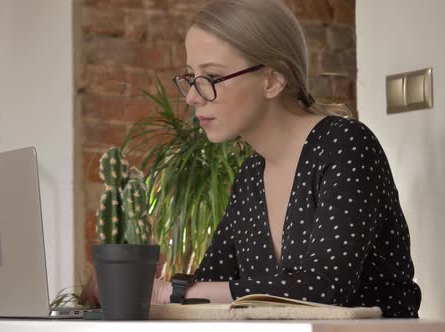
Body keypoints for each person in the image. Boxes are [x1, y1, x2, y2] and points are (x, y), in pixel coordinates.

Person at [80, 0, 421, 318]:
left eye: (212, 78)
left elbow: (324, 286)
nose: (194, 97)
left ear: (272, 80)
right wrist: (135, 283)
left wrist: (167, 292)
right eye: (190, 78)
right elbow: (213, 283)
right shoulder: (251, 175)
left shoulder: (345, 145)